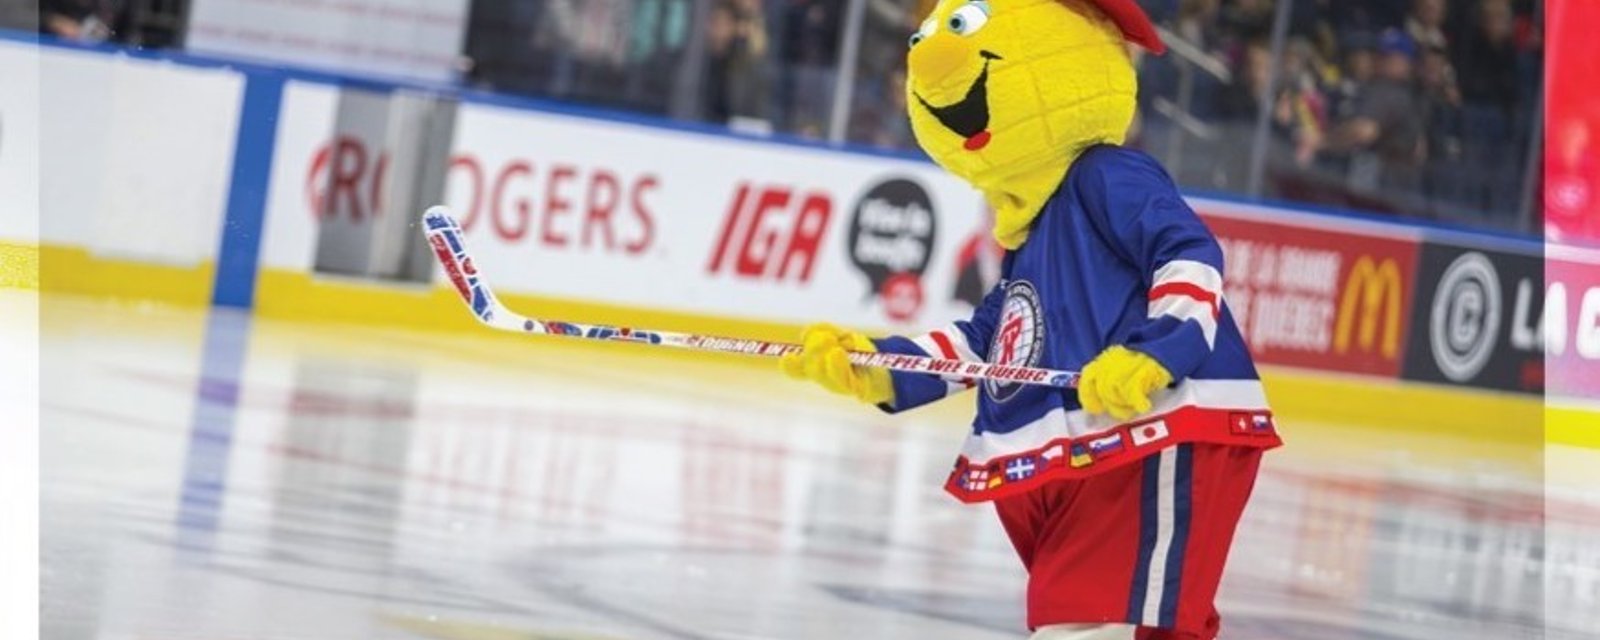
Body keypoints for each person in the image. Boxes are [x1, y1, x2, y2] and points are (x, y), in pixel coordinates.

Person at [781, 1, 1280, 638]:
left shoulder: (1108, 174)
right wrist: (878, 367)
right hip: (1112, 443)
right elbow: (990, 338)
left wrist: (1157, 352)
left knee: (1084, 618)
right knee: (1116, 621)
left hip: (1163, 423)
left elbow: (1189, 252)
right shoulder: (1032, 229)